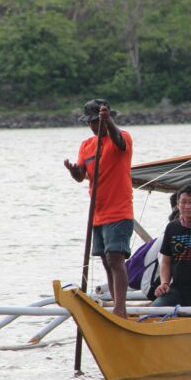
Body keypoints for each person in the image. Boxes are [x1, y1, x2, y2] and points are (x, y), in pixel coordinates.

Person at [64, 98, 133, 319]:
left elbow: (119, 141)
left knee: (115, 257)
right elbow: (81, 176)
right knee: (105, 260)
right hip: (98, 213)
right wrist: (74, 171)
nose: (93, 127)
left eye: (96, 122)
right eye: (90, 123)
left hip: (119, 210)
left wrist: (109, 123)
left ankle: (120, 307)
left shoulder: (122, 137)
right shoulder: (86, 145)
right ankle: (115, 303)